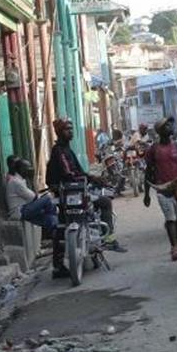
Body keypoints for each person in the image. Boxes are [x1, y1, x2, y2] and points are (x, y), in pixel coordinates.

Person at [47, 118, 125, 278]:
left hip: (69, 192)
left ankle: (58, 265)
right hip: (70, 192)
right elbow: (69, 173)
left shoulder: (65, 149)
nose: (71, 132)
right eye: (67, 129)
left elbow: (78, 171)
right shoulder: (59, 151)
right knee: (104, 202)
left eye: (71, 128)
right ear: (60, 132)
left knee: (62, 225)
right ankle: (109, 239)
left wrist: (90, 177)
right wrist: (91, 179)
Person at [143, 117, 177, 260]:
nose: (170, 127)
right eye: (166, 125)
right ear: (160, 131)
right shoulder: (153, 150)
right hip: (162, 189)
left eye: (170, 125)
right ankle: (174, 247)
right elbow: (148, 171)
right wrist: (146, 194)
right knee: (170, 219)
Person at [6, 158, 58, 232]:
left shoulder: (21, 180)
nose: (30, 170)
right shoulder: (16, 182)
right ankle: (53, 225)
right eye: (27, 168)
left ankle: (53, 231)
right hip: (19, 211)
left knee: (48, 218)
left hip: (24, 208)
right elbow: (33, 197)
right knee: (48, 199)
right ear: (21, 169)